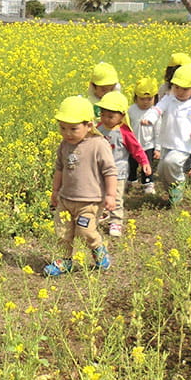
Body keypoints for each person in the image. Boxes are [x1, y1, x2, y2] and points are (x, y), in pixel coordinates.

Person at [45, 95, 117, 275]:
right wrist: (55, 191)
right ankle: (64, 261)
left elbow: (110, 171)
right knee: (62, 232)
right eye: (62, 128)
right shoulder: (64, 145)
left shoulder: (98, 145)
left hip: (90, 202)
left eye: (73, 128)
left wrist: (110, 195)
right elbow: (59, 169)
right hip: (66, 199)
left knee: (85, 231)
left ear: (89, 125)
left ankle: (98, 249)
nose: (67, 133)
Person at [153, 64, 191, 204]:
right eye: (176, 87)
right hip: (168, 141)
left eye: (184, 89)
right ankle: (172, 194)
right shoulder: (169, 99)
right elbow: (157, 109)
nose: (179, 91)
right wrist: (149, 118)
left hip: (184, 144)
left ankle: (179, 183)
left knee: (171, 162)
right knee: (161, 170)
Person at [95, 91, 150, 237]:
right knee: (99, 194)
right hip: (99, 170)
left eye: (111, 116)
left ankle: (116, 221)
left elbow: (136, 149)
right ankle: (102, 213)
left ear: (122, 116)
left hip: (118, 171)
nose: (106, 119)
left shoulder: (124, 132)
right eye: (103, 115)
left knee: (116, 196)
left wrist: (144, 161)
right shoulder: (99, 128)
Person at [128, 77, 160, 194]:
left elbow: (158, 132)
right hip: (133, 145)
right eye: (142, 99)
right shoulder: (131, 110)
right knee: (131, 164)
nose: (146, 102)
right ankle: (131, 180)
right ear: (135, 98)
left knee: (147, 166)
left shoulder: (155, 112)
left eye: (149, 99)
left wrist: (158, 148)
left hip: (148, 145)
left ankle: (148, 183)